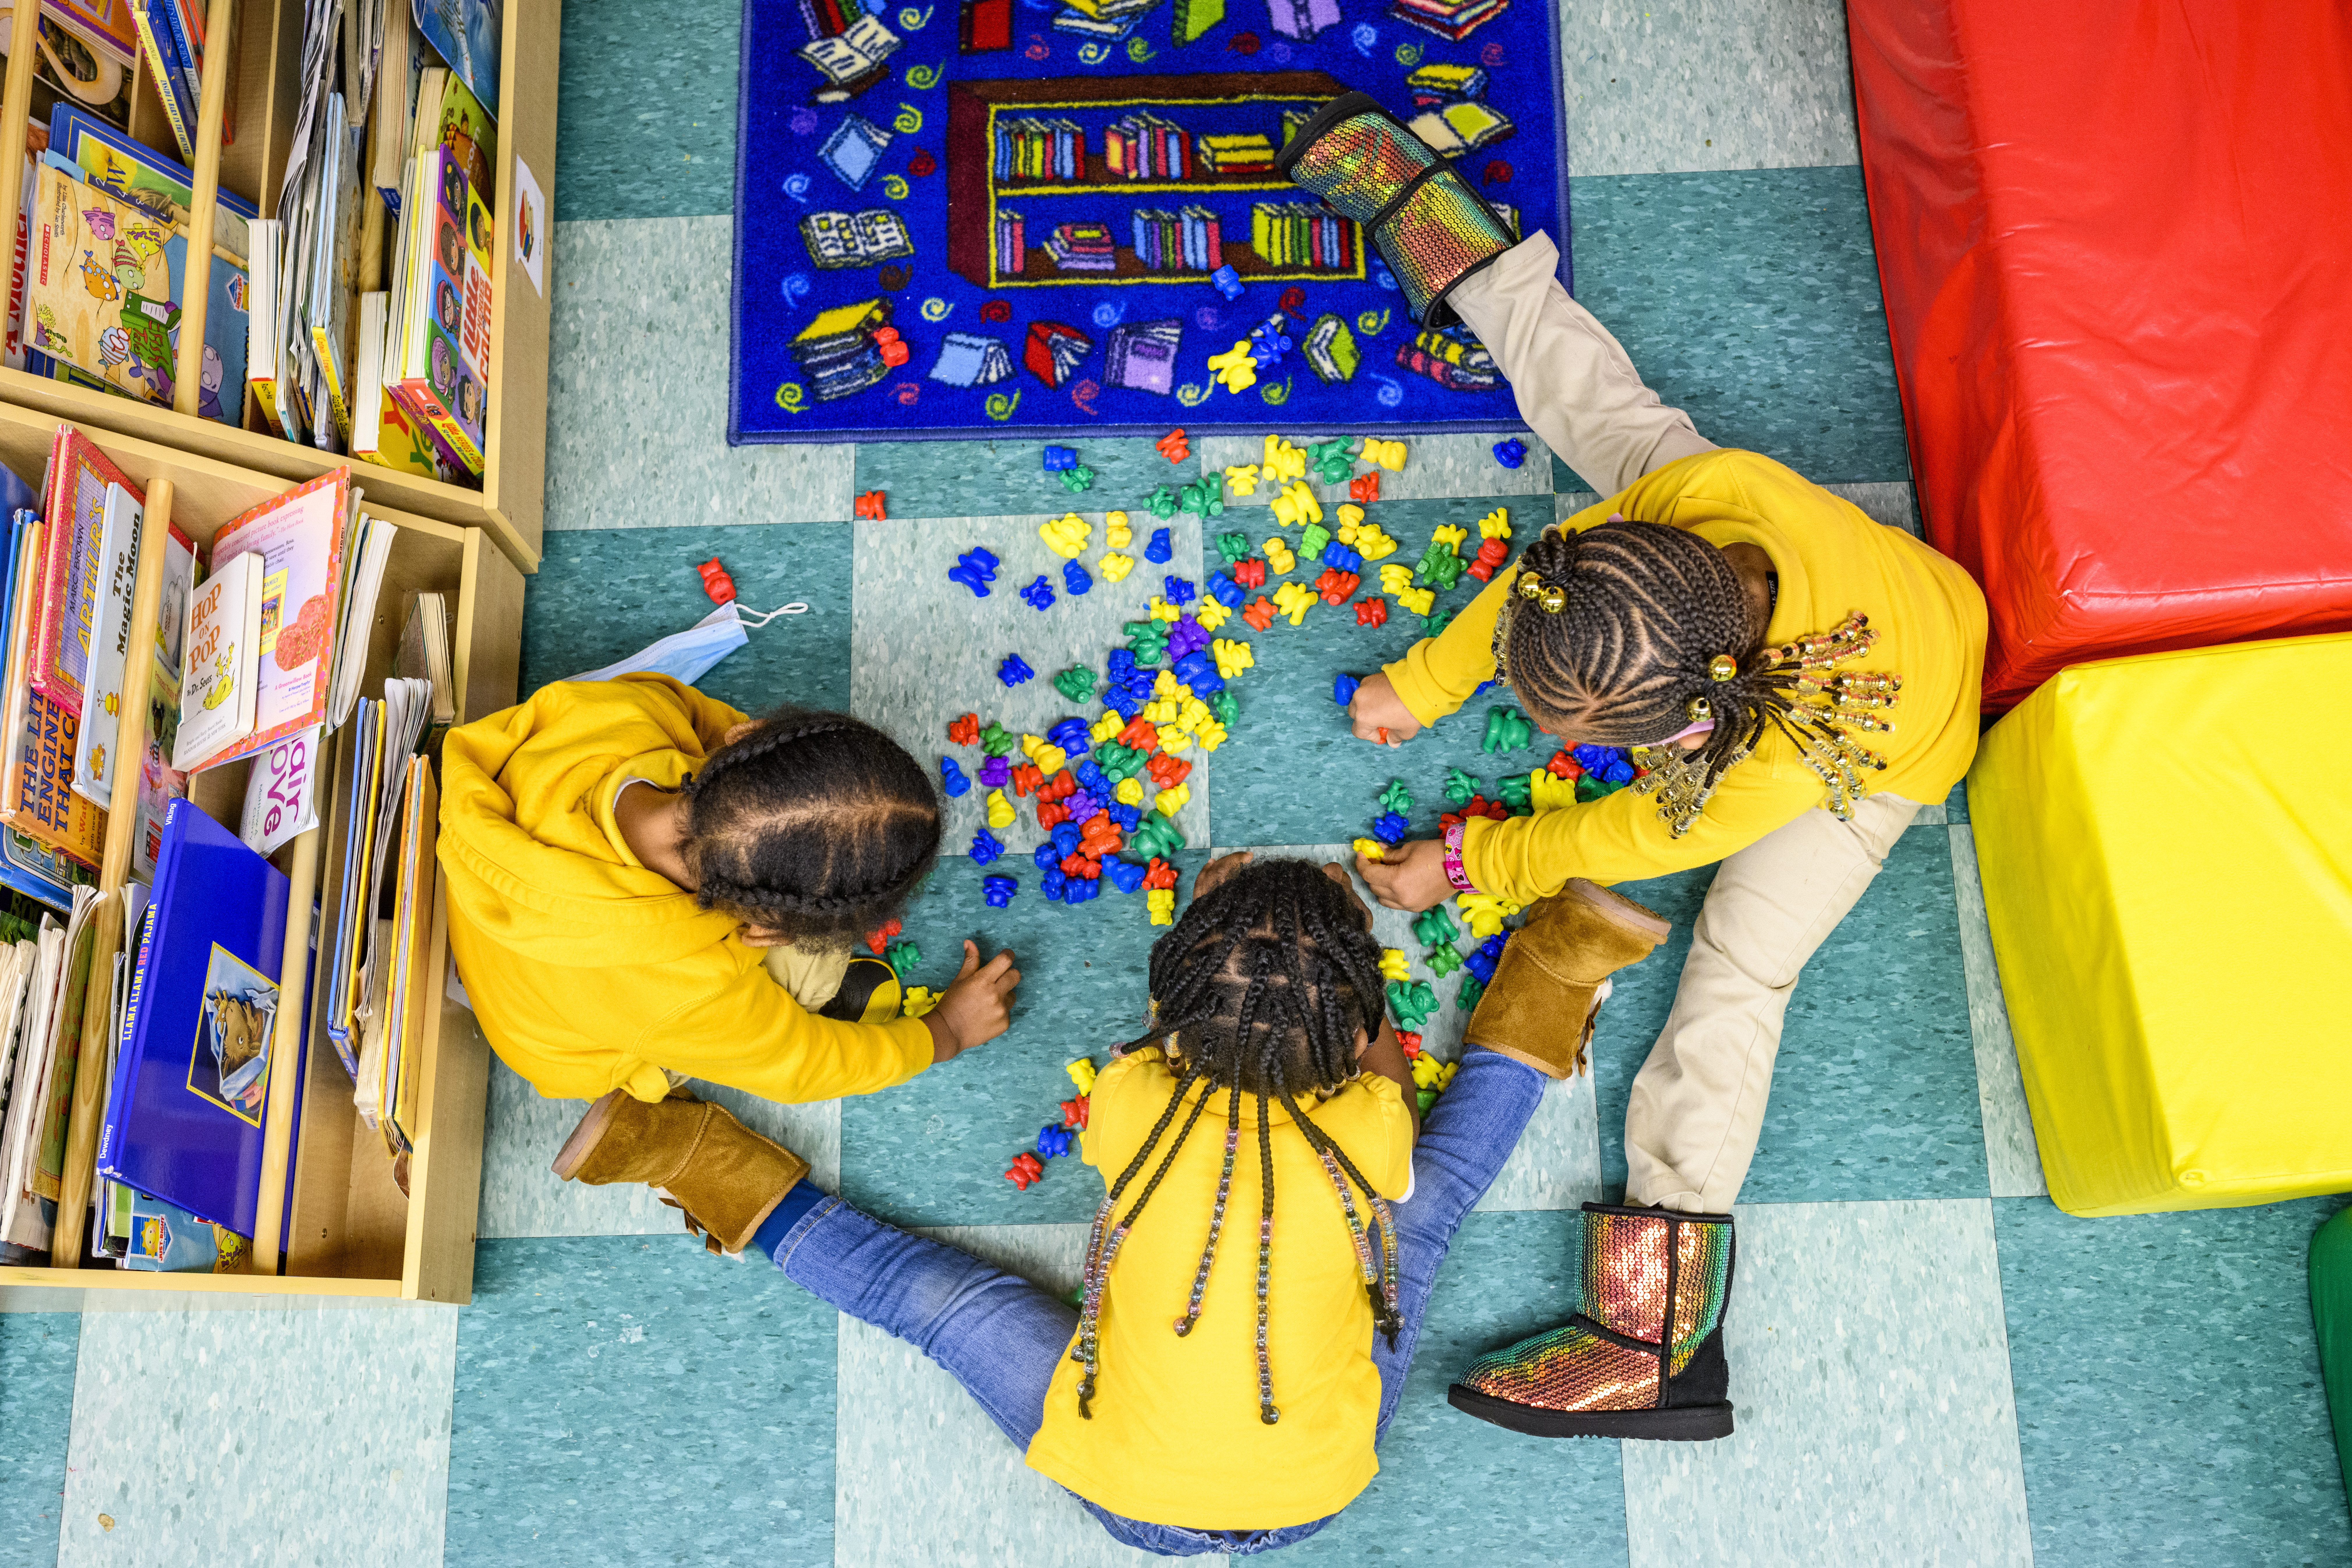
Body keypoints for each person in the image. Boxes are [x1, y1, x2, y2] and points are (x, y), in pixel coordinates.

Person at [1275, 93, 1990, 1440]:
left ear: (1675, 730)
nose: (1565, 749)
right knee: (1610, 416)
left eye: (1594, 736)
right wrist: (1421, 683)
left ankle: (1661, 1336)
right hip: (1790, 596)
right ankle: (1449, 234)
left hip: (1890, 752)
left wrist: (1470, 859)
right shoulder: (1693, 512)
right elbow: (1537, 591)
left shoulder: (1777, 756)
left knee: (1740, 967)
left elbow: (1623, 843)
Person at [553, 854, 1671, 1552]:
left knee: (934, 1295)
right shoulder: (1371, 1130)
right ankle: (1557, 975)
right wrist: (1339, 993)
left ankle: (694, 1149)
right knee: (1434, 1201)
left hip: (1178, 1471)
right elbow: (1383, 1071)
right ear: (1367, 1020)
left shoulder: (1131, 1104)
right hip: (1291, 1486)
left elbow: (1168, 1024)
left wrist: (1210, 915)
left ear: (1169, 999)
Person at [439, 675, 1021, 1249]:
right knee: (815, 971)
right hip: (560, 1035)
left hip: (495, 902)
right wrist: (945, 1031)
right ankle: (653, 1117)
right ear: (772, 926)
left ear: (748, 735)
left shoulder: (623, 712)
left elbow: (702, 719)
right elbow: (805, 1063)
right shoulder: (691, 991)